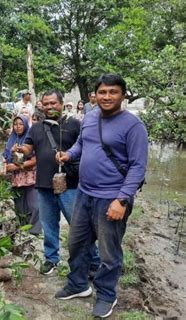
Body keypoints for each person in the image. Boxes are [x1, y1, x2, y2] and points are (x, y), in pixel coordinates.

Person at [55, 74, 148, 318]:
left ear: (123, 95)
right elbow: (81, 144)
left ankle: (107, 294)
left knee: (109, 251)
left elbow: (138, 167)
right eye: (103, 92)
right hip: (84, 193)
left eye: (113, 92)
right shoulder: (91, 116)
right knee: (76, 243)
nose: (107, 97)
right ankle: (78, 285)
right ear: (95, 95)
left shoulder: (133, 126)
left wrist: (122, 200)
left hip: (112, 197)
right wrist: (69, 155)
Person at [16, 90, 99, 275]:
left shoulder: (74, 124)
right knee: (49, 225)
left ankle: (94, 261)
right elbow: (29, 147)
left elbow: (87, 148)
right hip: (44, 184)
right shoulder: (36, 127)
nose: (50, 107)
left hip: (70, 185)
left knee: (79, 225)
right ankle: (51, 259)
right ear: (41, 106)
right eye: (46, 104)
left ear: (61, 104)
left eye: (53, 103)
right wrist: (22, 149)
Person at [2, 116, 41, 234]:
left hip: (29, 177)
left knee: (34, 205)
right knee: (19, 205)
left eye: (20, 124)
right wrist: (4, 169)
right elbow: (5, 158)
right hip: (15, 178)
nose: (18, 127)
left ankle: (34, 230)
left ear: (25, 125)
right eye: (15, 124)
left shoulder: (30, 139)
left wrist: (18, 166)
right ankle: (23, 228)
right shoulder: (11, 139)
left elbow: (34, 160)